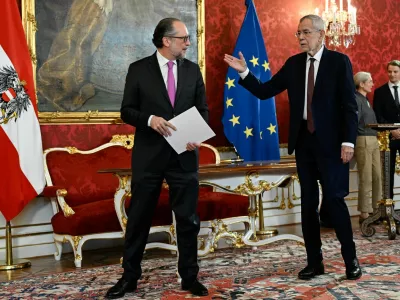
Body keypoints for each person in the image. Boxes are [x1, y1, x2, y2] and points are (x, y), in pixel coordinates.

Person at [224, 14, 361, 280]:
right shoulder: (294, 64)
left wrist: (348, 141)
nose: (300, 37)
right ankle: (314, 262)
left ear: (321, 34)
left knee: (335, 201)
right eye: (298, 33)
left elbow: (349, 106)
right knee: (308, 204)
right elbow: (265, 91)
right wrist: (244, 71)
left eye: (306, 32)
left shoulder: (338, 62)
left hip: (333, 146)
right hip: (304, 144)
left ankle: (350, 259)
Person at [106, 18, 209, 299]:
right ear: (167, 40)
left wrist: (197, 135)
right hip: (149, 157)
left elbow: (202, 110)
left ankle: (190, 277)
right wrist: (150, 119)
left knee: (188, 219)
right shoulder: (139, 70)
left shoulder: (192, 70)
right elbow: (126, 111)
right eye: (184, 38)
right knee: (138, 218)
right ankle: (129, 278)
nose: (189, 42)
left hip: (185, 156)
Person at [353, 72, 382, 223]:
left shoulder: (366, 100)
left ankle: (377, 209)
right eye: (370, 81)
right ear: (362, 84)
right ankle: (364, 213)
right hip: (363, 140)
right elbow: (353, 123)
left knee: (377, 175)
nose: (372, 83)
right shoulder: (356, 99)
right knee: (366, 177)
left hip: (373, 139)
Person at [373, 60, 400, 200]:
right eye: (390, 71)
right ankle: (390, 206)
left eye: (395, 71)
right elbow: (378, 115)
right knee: (387, 173)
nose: (392, 74)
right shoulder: (380, 92)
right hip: (387, 138)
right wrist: (392, 130)